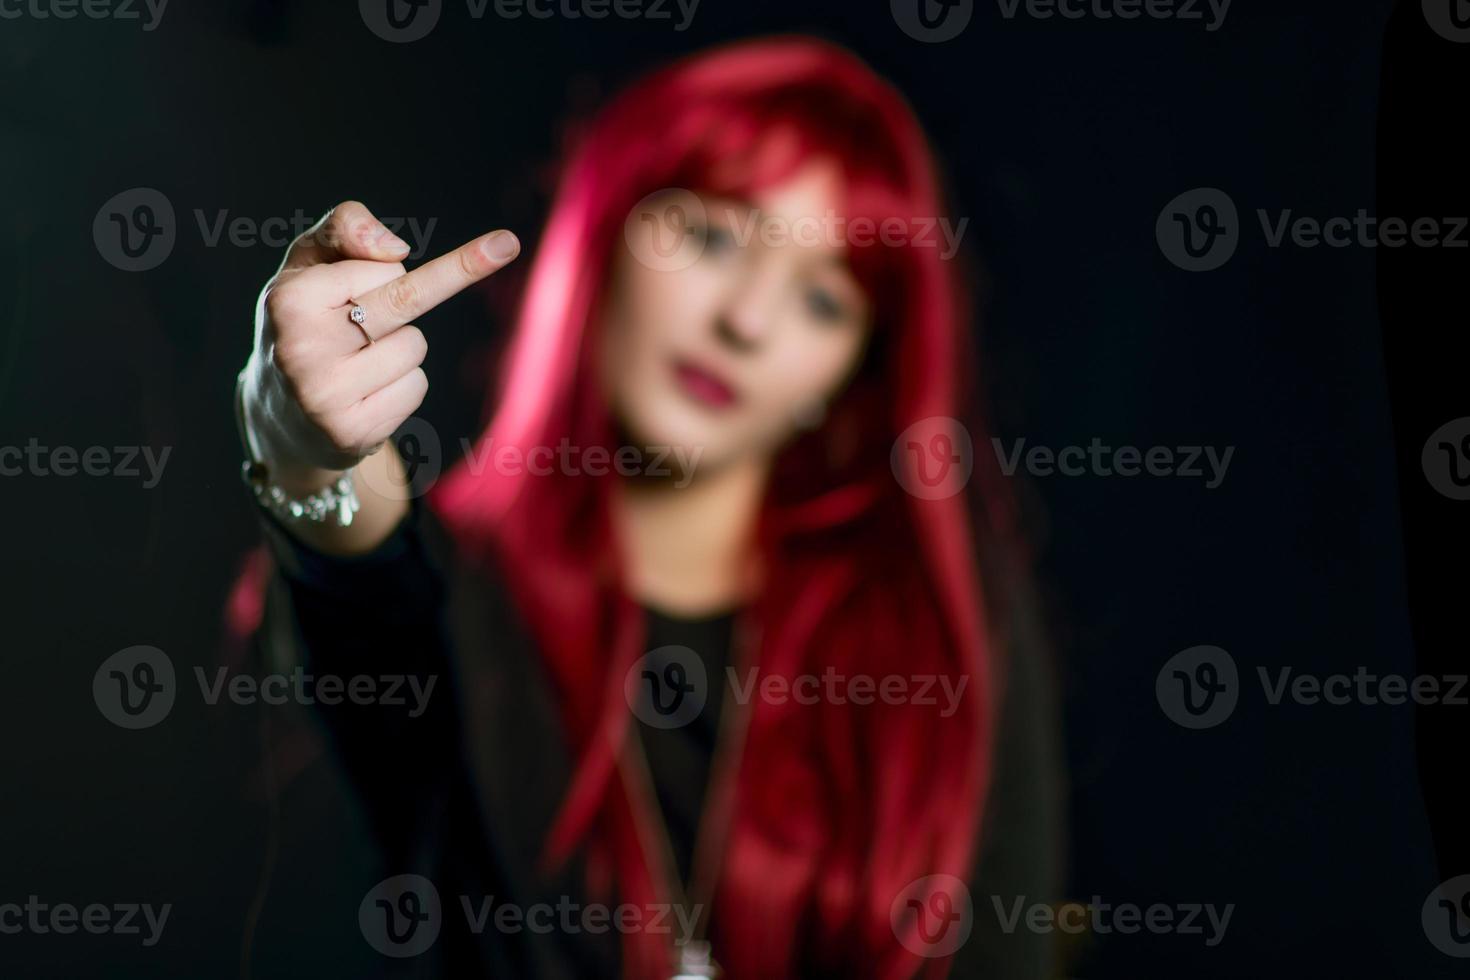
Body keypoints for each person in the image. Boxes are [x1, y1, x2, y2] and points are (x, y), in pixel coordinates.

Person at [233, 36, 1063, 979]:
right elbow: (359, 570)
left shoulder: (930, 622)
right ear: (604, 236)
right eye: (712, 236)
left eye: (823, 300)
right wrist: (301, 446)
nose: (745, 321)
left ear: (849, 375)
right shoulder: (461, 596)